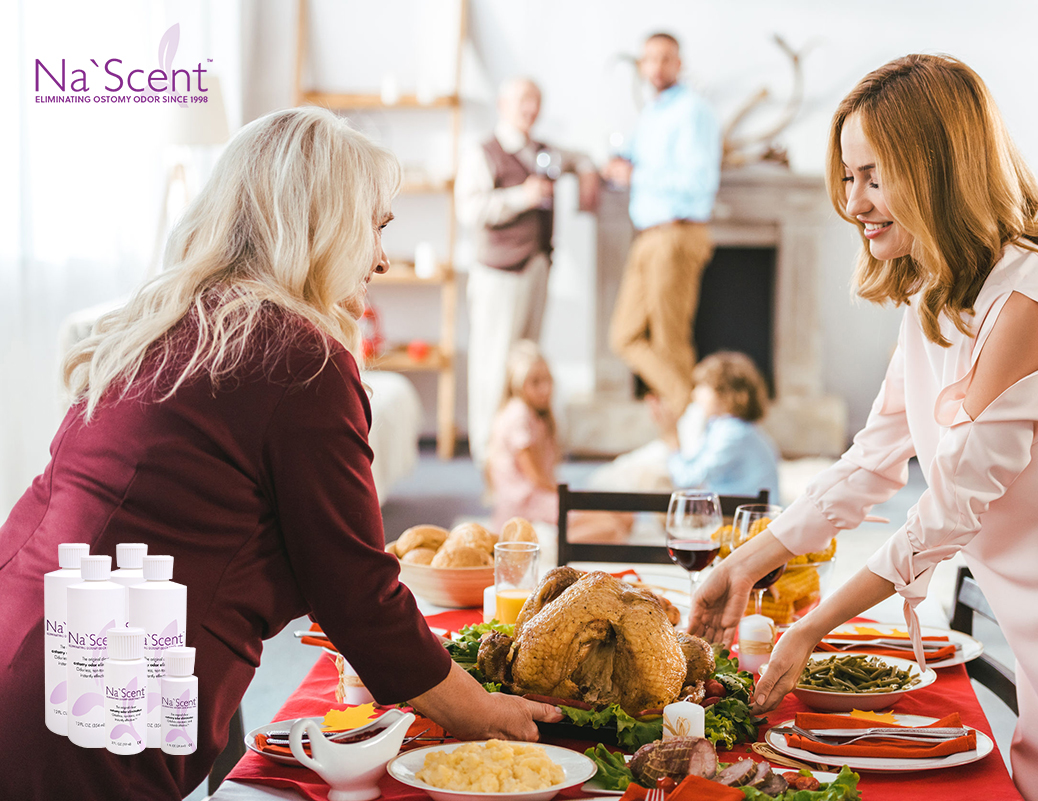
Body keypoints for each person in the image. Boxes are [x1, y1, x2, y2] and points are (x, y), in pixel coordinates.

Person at [0, 107, 560, 800]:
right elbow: (357, 593)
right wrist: (489, 714)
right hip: (96, 698)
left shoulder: (171, 321)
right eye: (376, 225)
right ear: (321, 224)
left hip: (30, 637)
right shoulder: (297, 357)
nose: (383, 257)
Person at [688, 54, 1038, 801]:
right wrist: (744, 563)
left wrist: (813, 626)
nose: (854, 201)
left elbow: (950, 509)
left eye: (873, 175)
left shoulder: (1035, 304)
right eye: (848, 176)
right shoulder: (934, 300)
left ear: (938, 169)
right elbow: (869, 464)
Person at [458, 77, 599, 466]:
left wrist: (587, 173)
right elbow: (469, 210)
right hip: (499, 272)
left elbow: (581, 158)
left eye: (536, 100)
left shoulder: (545, 151)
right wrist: (523, 197)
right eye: (522, 100)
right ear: (503, 104)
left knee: (526, 361)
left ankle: (520, 443)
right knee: (493, 361)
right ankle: (488, 452)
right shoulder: (482, 152)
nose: (530, 108)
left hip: (538, 266)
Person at [604, 32, 722, 418]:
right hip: (649, 235)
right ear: (641, 66)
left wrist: (635, 175)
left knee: (672, 342)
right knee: (624, 336)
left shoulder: (693, 111)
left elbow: (698, 182)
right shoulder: (653, 113)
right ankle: (692, 412)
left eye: (665, 58)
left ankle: (695, 426)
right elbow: (634, 159)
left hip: (677, 233)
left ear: (680, 63)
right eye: (649, 59)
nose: (656, 67)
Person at [650, 351, 780, 503]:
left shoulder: (733, 432)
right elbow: (694, 464)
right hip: (731, 505)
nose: (694, 394)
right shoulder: (721, 427)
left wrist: (671, 438)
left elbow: (688, 479)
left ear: (725, 394)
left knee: (660, 499)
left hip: (743, 513)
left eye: (702, 386)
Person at [485, 340, 559, 529]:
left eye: (548, 380)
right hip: (525, 508)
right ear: (517, 384)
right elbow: (536, 477)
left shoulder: (534, 415)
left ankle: (551, 541)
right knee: (610, 526)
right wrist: (569, 496)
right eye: (535, 382)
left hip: (536, 502)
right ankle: (546, 545)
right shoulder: (519, 414)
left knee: (621, 520)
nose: (545, 389)